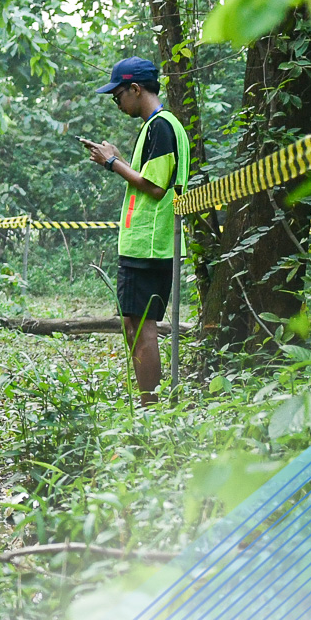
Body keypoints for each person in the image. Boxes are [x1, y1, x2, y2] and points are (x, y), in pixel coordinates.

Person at [82, 56, 191, 407]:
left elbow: (155, 188)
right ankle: (150, 405)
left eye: (118, 95)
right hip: (150, 242)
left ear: (135, 89)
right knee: (134, 325)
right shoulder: (159, 126)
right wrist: (117, 159)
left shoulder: (161, 126)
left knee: (142, 329)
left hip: (149, 244)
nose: (117, 102)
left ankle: (149, 409)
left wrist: (112, 163)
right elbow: (152, 179)